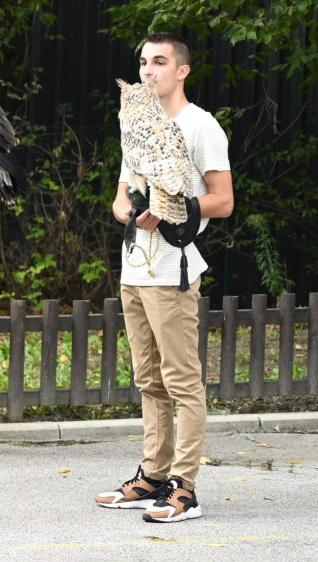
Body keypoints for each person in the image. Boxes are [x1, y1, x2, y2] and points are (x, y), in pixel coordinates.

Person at [97, 32, 233, 523]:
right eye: (142, 62)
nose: (148, 70)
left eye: (159, 62)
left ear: (182, 71)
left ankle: (184, 489)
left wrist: (176, 209)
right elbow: (117, 201)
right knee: (148, 381)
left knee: (182, 382)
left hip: (172, 272)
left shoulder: (201, 127)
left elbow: (223, 199)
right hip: (134, 267)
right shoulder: (135, 124)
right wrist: (133, 211)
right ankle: (152, 476)